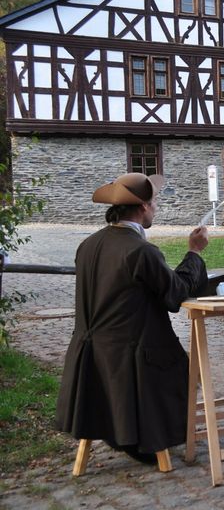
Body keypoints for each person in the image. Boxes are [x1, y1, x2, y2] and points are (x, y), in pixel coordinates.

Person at [55, 172, 209, 463]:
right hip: (132, 356)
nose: (156, 208)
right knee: (182, 368)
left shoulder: (88, 244)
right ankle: (143, 439)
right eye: (153, 203)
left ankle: (122, 433)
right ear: (142, 207)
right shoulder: (140, 250)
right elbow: (175, 294)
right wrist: (194, 253)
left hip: (93, 353)